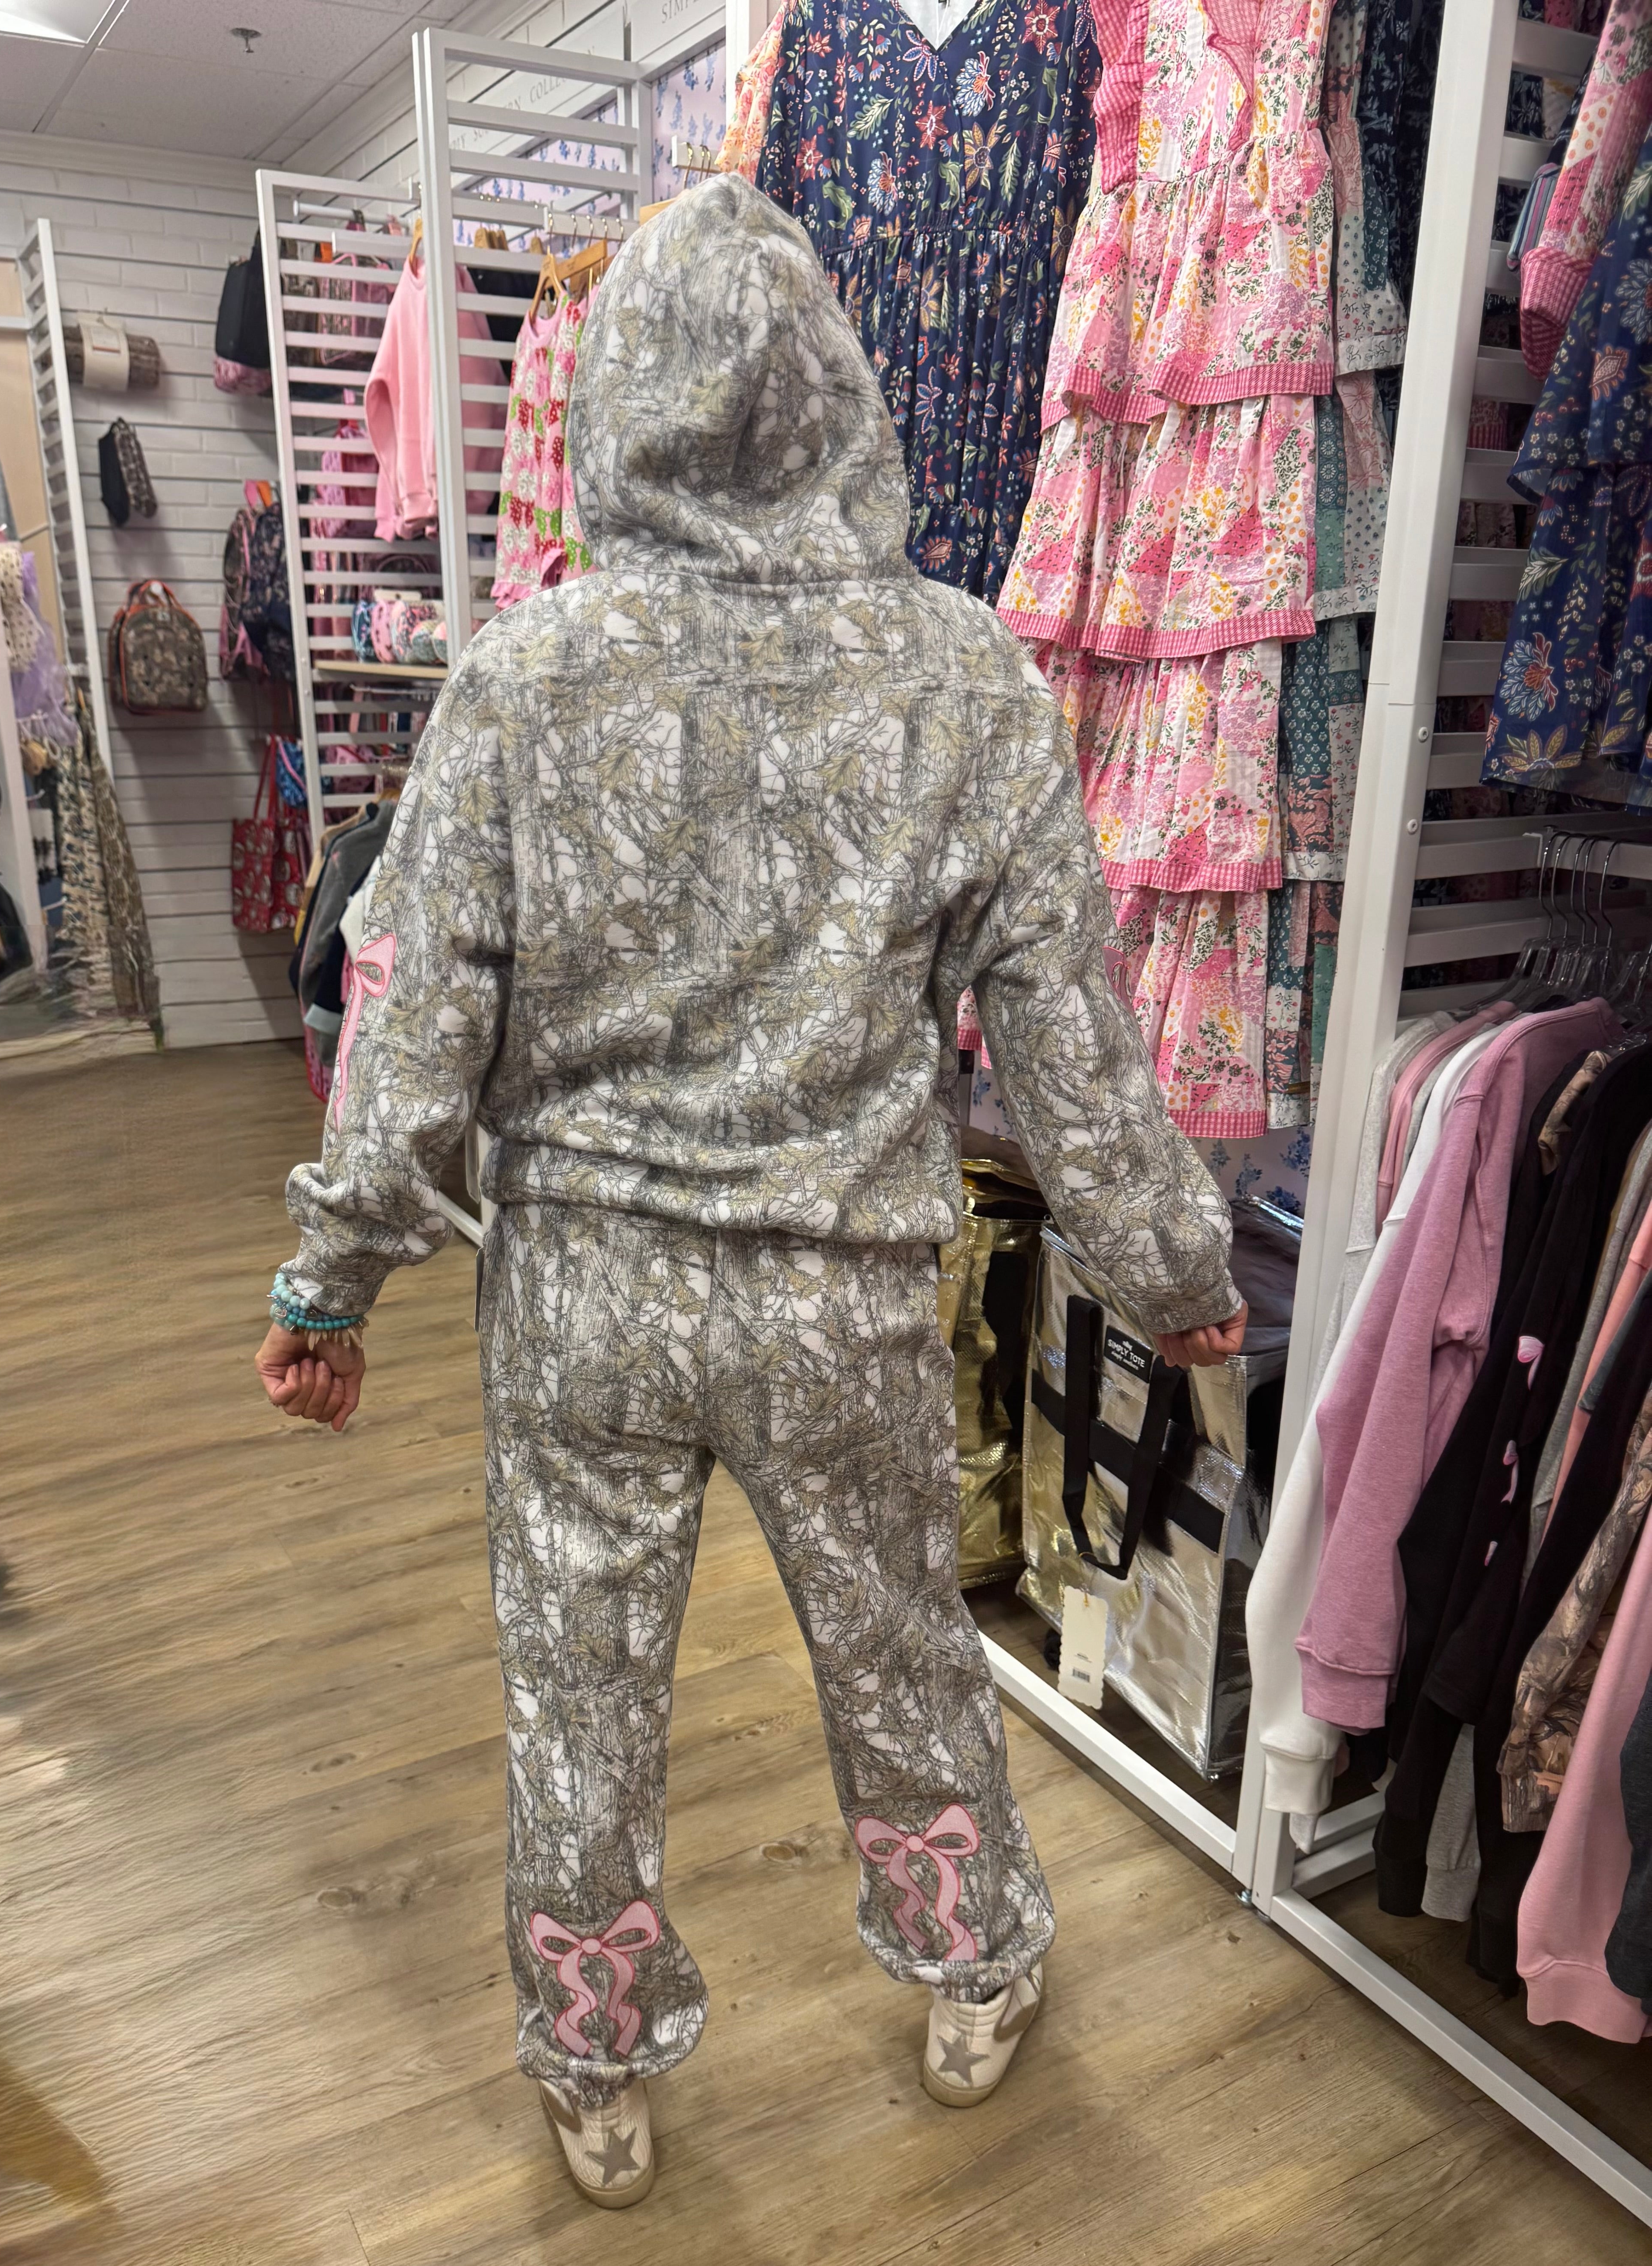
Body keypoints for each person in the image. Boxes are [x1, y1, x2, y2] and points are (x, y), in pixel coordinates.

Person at [254, 174, 1245, 2212]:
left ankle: (595, 2060)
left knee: (579, 1684)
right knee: (896, 1646)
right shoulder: (960, 676)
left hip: (585, 1299)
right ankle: (969, 1960)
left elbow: (418, 1022)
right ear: (839, 396)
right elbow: (1064, 1028)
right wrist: (1167, 1268)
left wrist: (331, 1278)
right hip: (836, 1293)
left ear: (610, 400)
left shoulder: (524, 677)